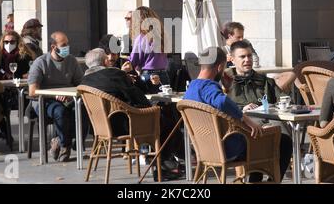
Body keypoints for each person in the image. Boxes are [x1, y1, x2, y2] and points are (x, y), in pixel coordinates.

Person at [184, 47, 290, 181]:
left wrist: (227, 90)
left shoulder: (191, 89)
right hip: (229, 149)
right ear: (220, 67)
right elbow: (221, 102)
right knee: (283, 141)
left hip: (205, 148)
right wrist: (245, 119)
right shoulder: (209, 87)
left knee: (260, 139)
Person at [80, 48, 184, 180]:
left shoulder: (84, 81)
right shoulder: (114, 74)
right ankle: (164, 166)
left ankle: (171, 162)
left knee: (162, 119)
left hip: (101, 127)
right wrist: (150, 107)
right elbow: (139, 99)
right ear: (105, 61)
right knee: (166, 121)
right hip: (127, 124)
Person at [222, 41, 293, 182]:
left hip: (271, 122)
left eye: (249, 56)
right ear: (232, 59)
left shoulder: (264, 80)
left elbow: (283, 98)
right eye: (242, 57)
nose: (247, 60)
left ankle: (274, 181)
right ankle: (255, 178)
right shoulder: (226, 81)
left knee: (286, 141)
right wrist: (241, 109)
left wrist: (283, 104)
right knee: (260, 142)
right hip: (243, 125)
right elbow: (221, 107)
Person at [28, 31, 86, 162]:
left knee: (83, 109)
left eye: (68, 44)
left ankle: (62, 140)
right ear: (53, 47)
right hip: (45, 101)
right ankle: (65, 146)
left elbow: (81, 84)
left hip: (69, 98)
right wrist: (55, 95)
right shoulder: (40, 62)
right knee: (61, 112)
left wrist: (72, 95)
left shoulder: (71, 61)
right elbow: (32, 91)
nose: (67, 47)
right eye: (64, 44)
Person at [129, 6, 169, 94]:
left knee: (147, 104)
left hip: (148, 76)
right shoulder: (162, 35)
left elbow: (134, 60)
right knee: (164, 104)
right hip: (164, 75)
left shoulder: (141, 38)